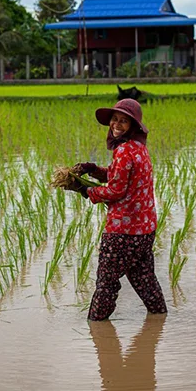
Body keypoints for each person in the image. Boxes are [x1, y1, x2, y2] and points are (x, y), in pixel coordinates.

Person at [69, 98, 167, 321]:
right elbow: (121, 177)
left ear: (133, 125)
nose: (117, 124)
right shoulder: (140, 149)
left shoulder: (123, 151)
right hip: (144, 231)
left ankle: (97, 331)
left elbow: (116, 191)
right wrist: (93, 169)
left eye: (124, 121)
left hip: (122, 233)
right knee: (146, 282)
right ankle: (159, 324)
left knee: (106, 284)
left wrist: (85, 191)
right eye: (114, 119)